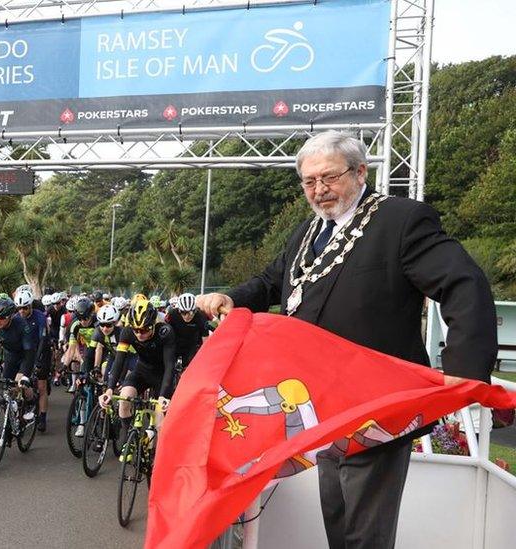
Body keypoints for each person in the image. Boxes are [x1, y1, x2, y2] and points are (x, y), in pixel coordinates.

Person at [196, 130, 497, 549]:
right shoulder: (306, 232)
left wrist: (463, 375)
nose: (319, 191)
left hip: (379, 407)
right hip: (320, 406)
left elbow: (464, 284)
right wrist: (233, 297)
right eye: (309, 182)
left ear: (360, 172)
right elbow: (271, 281)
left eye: (329, 178)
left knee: (364, 535)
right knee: (337, 520)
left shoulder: (401, 220)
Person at [100, 298, 177, 434]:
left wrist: (163, 395)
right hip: (142, 371)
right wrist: (110, 389)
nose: (140, 334)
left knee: (160, 425)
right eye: (136, 330)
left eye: (144, 329)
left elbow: (170, 365)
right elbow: (119, 361)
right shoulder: (127, 332)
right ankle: (128, 438)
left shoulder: (165, 332)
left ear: (153, 324)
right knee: (124, 401)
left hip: (162, 375)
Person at [0, 296, 38, 421]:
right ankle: (12, 418)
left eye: (2, 318)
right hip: (11, 356)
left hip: (25, 356)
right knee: (7, 389)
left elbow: (29, 351)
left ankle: (32, 403)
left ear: (10, 316)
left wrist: (25, 375)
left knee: (20, 383)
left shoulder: (21, 325)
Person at [15, 289, 51, 431]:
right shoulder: (16, 318)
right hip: (25, 352)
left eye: (25, 308)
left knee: (41, 386)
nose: (22, 311)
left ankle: (42, 417)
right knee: (19, 382)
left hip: (41, 350)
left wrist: (37, 361)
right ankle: (27, 405)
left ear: (31, 306)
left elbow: (43, 339)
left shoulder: (39, 317)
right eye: (19, 308)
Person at [164, 293, 210, 373]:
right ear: (178, 310)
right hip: (176, 341)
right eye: (183, 312)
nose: (187, 316)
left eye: (191, 312)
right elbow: (165, 332)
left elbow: (205, 341)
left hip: (192, 343)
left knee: (191, 365)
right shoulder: (172, 314)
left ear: (195, 310)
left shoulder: (201, 316)